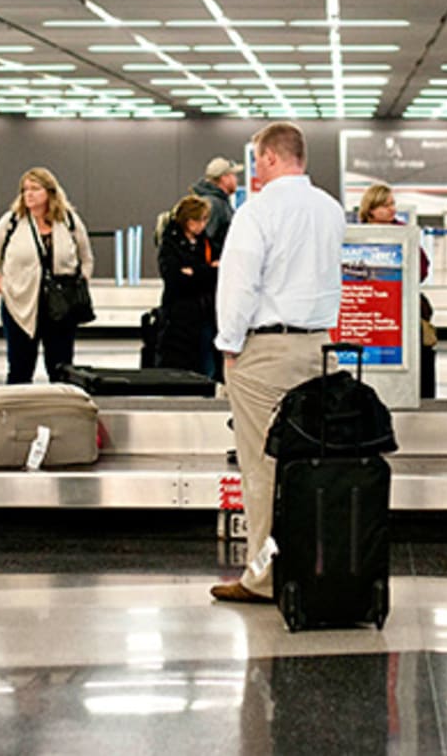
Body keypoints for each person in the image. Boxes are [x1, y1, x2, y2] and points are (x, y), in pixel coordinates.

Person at [211, 122, 344, 604]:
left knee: (263, 468)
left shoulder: (257, 211)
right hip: (318, 349)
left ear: (268, 158)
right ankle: (314, 566)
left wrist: (229, 343)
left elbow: (240, 285)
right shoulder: (331, 210)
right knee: (311, 462)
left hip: (264, 352)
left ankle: (263, 576)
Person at [0, 168, 95, 384]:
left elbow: (86, 257)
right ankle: (18, 415)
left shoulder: (69, 222)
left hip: (61, 308)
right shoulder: (11, 222)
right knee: (19, 369)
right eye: (25, 190)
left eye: (35, 188)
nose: (29, 194)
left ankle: (60, 414)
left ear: (50, 192)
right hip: (20, 306)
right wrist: (0, 284)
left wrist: (80, 282)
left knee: (61, 369)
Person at [358, 183, 435, 398]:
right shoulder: (356, 235)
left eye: (392, 204)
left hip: (401, 305)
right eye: (385, 205)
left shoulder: (405, 233)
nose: (391, 209)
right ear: (371, 209)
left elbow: (422, 268)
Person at [155, 194, 219, 378]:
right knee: (179, 363)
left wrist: (195, 272)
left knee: (207, 362)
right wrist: (207, 270)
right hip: (178, 315)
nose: (202, 225)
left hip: (204, 311)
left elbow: (219, 271)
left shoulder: (207, 243)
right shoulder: (171, 243)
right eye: (198, 220)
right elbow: (174, 277)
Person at [192, 156, 243, 254]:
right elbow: (203, 240)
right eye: (233, 175)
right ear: (224, 178)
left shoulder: (219, 202)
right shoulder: (213, 204)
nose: (236, 180)